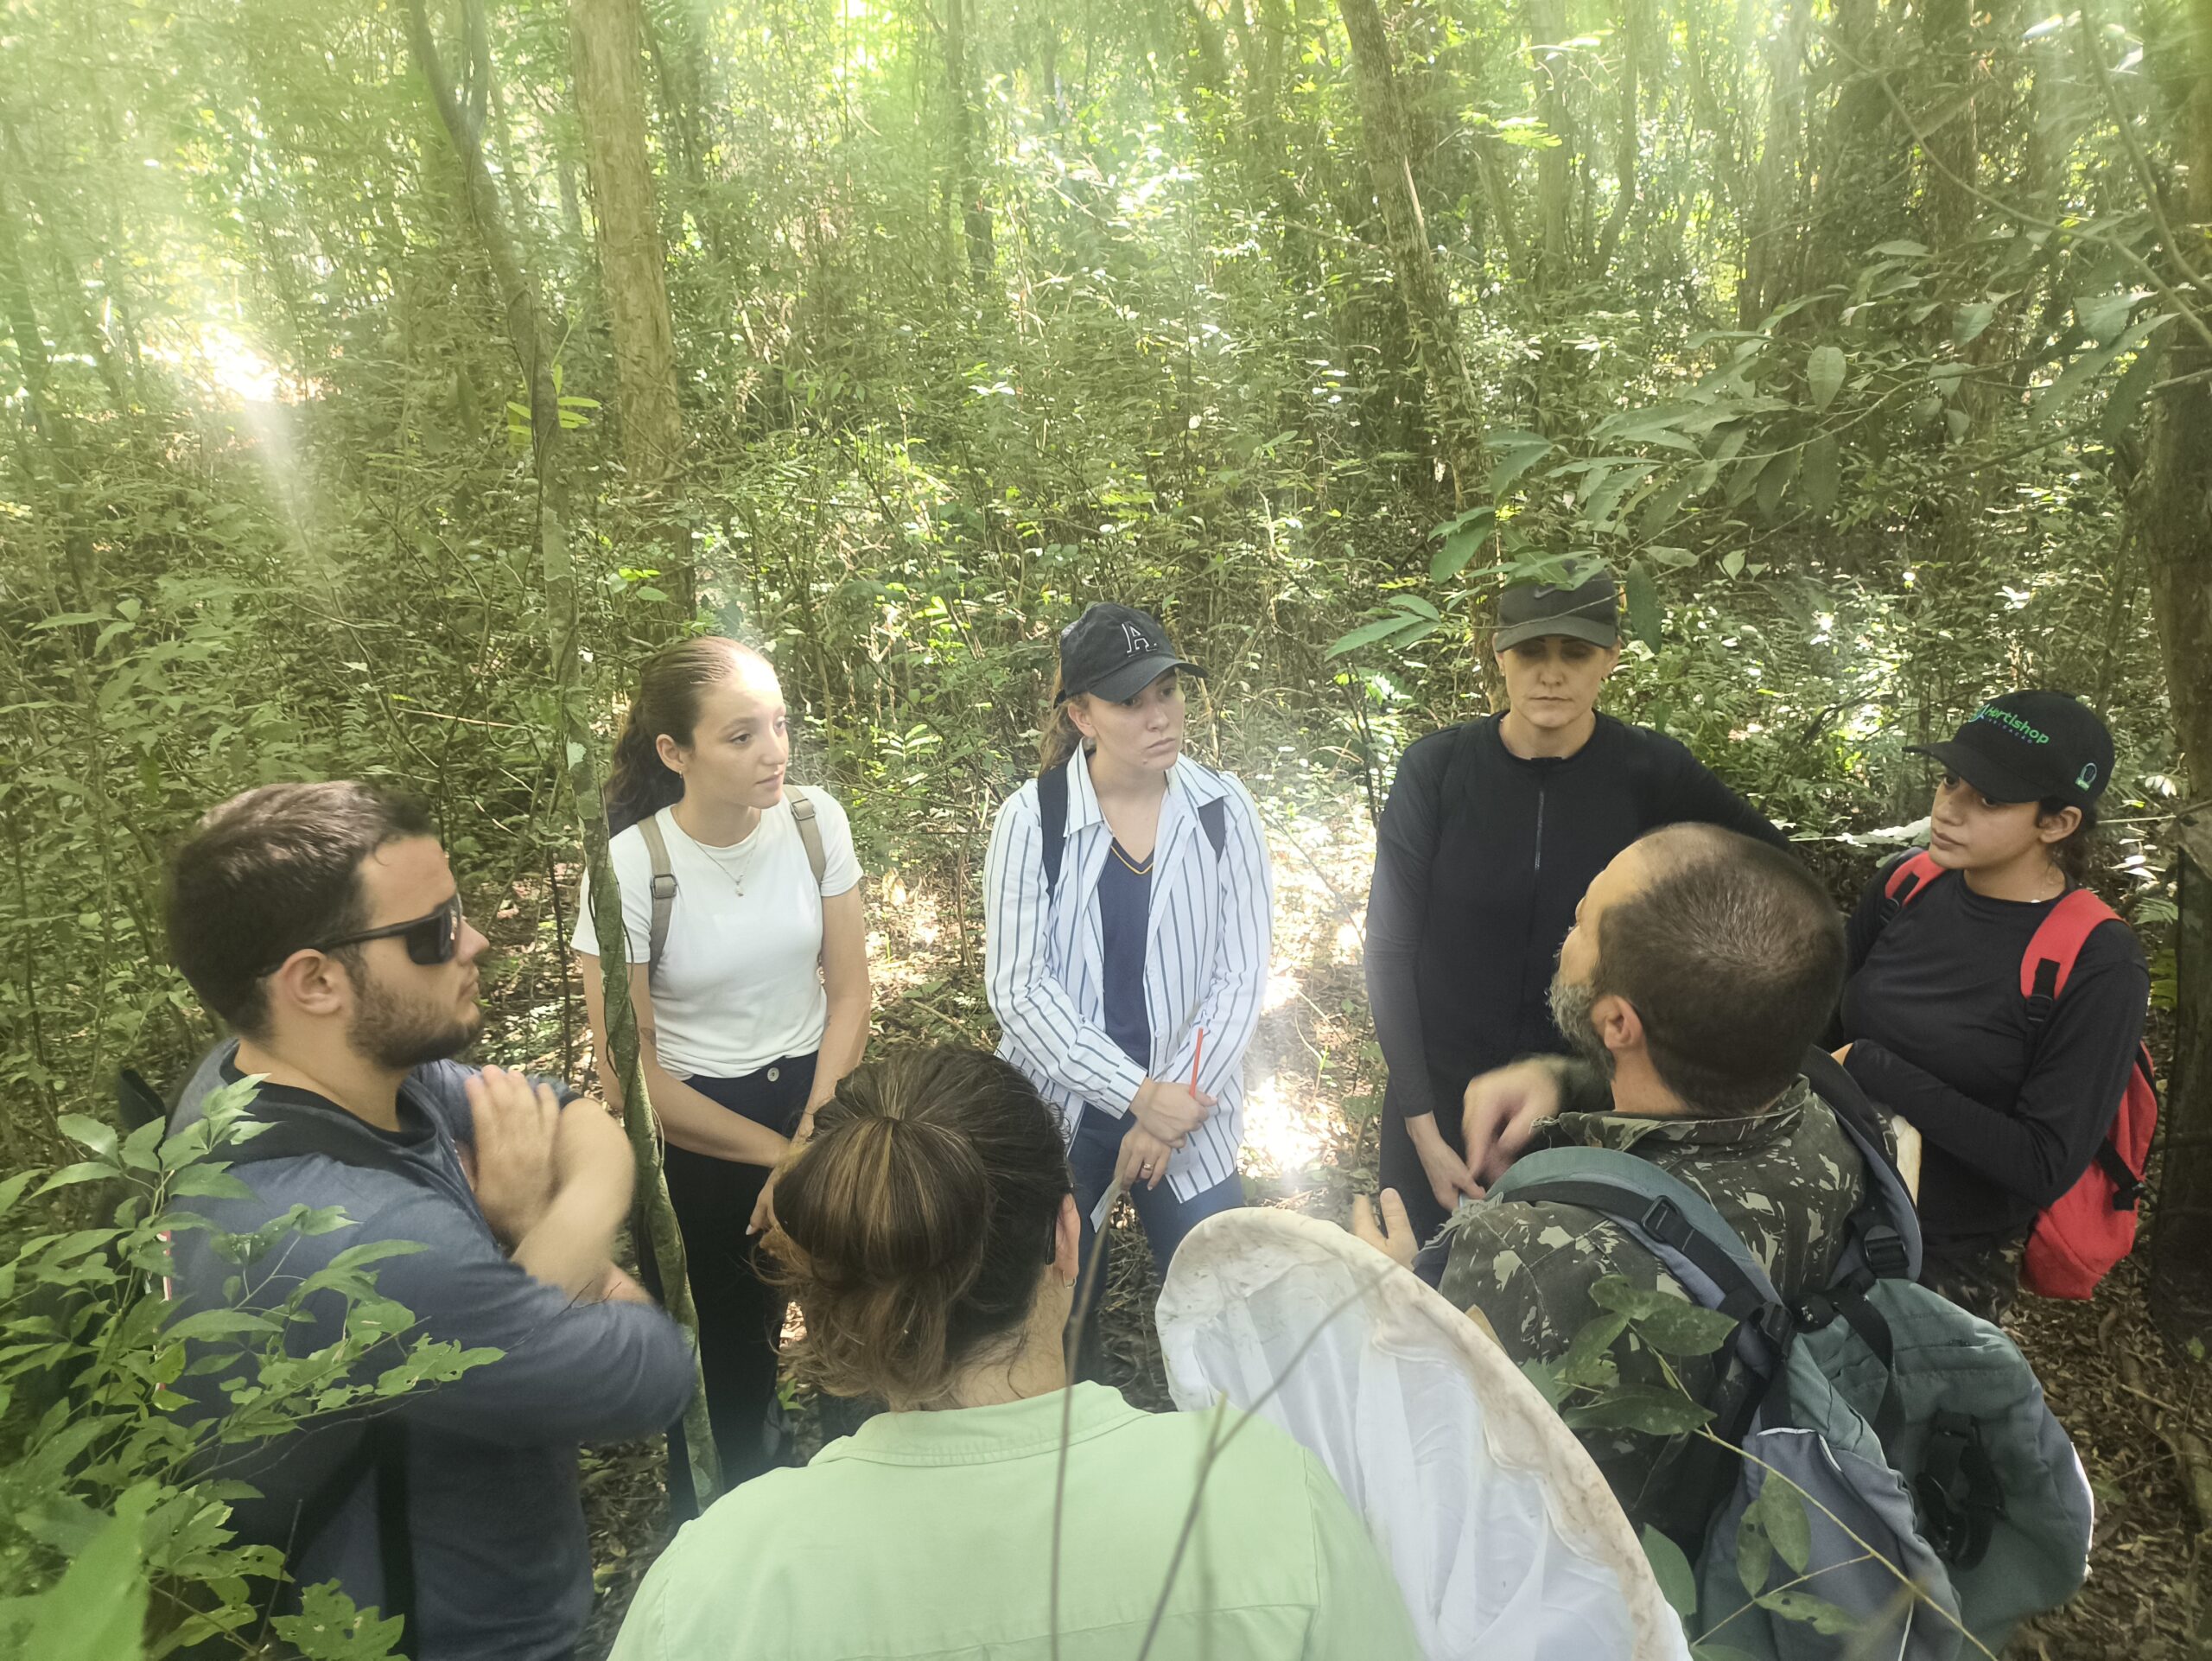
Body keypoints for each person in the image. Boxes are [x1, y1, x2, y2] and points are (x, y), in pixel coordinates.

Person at [606, 1047, 1423, 1661]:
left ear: (826, 1299)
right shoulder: (1270, 1501)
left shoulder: (711, 1590)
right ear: (1067, 1236)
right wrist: (1375, 1360)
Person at [163, 782, 695, 1661]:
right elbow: (656, 1368)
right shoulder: (354, 1241)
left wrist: (535, 1263)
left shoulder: (258, 1075)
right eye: (435, 930)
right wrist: (543, 1223)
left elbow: (577, 1116)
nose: (476, 940)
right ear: (315, 980)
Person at [1353, 824, 1867, 1523]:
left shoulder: (1535, 1257)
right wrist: (1566, 1079)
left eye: (1583, 921)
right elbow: (1700, 1115)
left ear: (1618, 1023)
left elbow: (1433, 1475)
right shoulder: (1834, 1126)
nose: (1569, 929)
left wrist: (1394, 1304)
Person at [1364, 565, 1793, 1245]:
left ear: (1611, 659)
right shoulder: (1438, 771)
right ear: (1500, 654)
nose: (1551, 674)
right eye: (1532, 652)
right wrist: (1421, 1128)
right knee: (1415, 1301)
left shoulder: (1651, 772)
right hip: (1436, 1096)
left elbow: (1774, 876)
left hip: (1583, 1103)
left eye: (1576, 653)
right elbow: (1388, 949)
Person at [574, 635, 870, 1494]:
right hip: (702, 1140)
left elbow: (850, 992)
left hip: (826, 1096)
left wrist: (813, 1140)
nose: (774, 751)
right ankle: (740, 1553)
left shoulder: (815, 820)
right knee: (730, 1381)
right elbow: (637, 1074)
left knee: (867, 1345)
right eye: (741, 735)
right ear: (675, 752)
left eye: (778, 724)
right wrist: (782, 1163)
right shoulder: (631, 868)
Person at [984, 604, 1272, 1306]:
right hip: (1061, 1111)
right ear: (1082, 716)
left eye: (1167, 691)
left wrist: (1167, 1107)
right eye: (1130, 701)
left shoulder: (1221, 809)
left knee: (1222, 1308)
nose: (1160, 717)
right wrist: (1138, 1097)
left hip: (1190, 1108)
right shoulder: (1032, 820)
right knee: (1055, 1318)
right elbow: (1018, 990)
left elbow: (1241, 975)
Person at [1834, 692, 2150, 1321]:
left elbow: (2041, 1163)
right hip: (1823, 1189)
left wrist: (1874, 1066)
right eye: (1952, 780)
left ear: (2056, 823)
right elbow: (1816, 1018)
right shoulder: (1906, 885)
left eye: (1991, 799)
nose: (1949, 809)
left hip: (1942, 1253)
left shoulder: (2097, 959)